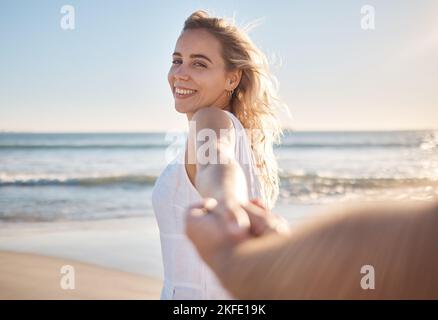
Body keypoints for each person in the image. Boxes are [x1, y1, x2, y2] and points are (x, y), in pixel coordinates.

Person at [151, 10, 288, 299]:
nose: (180, 73)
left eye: (199, 63)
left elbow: (216, 159)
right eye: (177, 60)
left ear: (231, 78)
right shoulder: (239, 136)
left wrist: (226, 201)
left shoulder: (211, 119)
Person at [185, 198, 438, 299]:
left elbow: (415, 253)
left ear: (233, 79)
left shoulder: (211, 120)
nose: (176, 78)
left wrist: (229, 260)